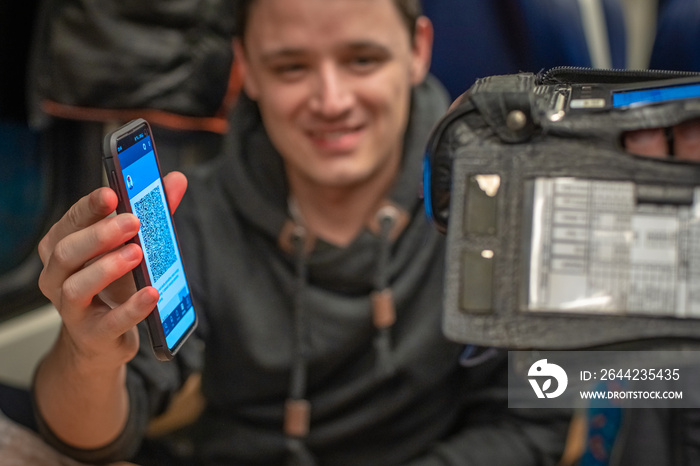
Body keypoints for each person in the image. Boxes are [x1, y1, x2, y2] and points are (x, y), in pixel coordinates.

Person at [31, 0, 573, 465]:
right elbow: (95, 436)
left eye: (362, 59)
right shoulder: (195, 210)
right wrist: (90, 355)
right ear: (248, 69)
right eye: (291, 67)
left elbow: (532, 426)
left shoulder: (498, 197)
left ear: (417, 50)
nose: (332, 101)